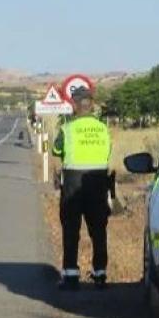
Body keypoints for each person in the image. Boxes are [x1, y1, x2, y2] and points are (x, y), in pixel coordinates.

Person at [51, 87, 112, 291]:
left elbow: (57, 149)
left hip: (73, 182)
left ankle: (70, 275)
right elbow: (108, 151)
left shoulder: (68, 128)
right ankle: (100, 273)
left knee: (71, 227)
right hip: (98, 181)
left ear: (74, 106)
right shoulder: (103, 128)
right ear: (92, 105)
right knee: (98, 228)